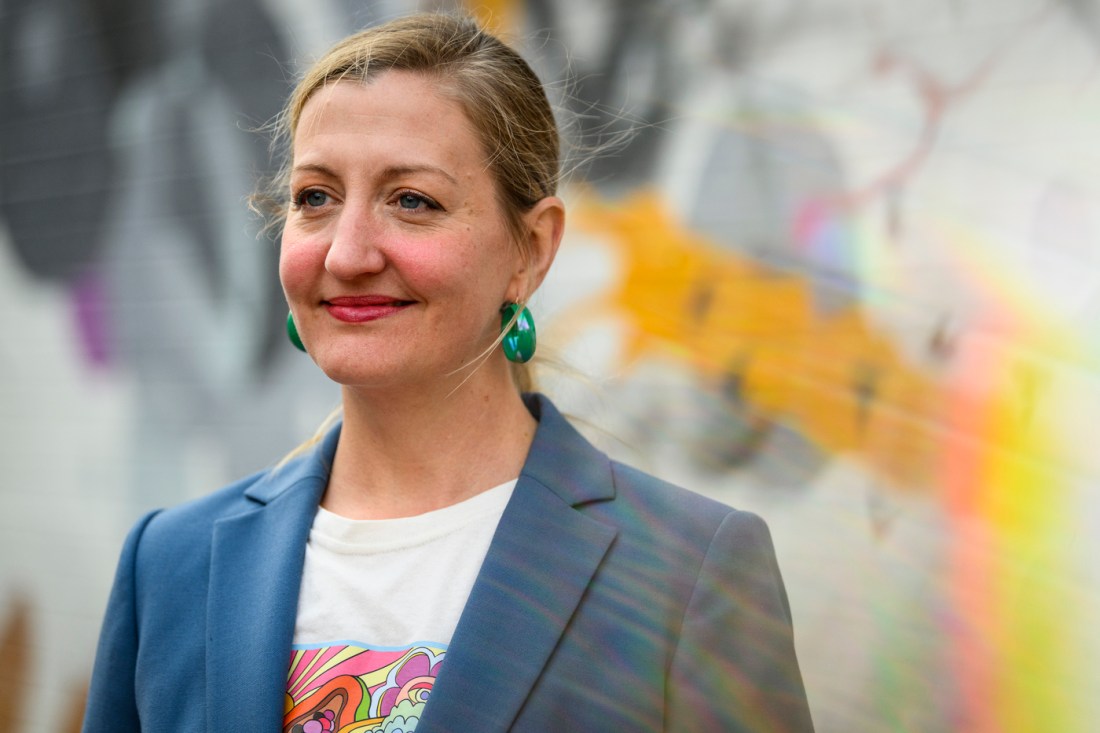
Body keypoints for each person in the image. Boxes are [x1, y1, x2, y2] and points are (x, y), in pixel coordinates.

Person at [82, 12, 814, 733]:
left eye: (412, 200)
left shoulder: (687, 575)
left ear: (530, 248)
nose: (346, 254)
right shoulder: (170, 565)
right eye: (315, 198)